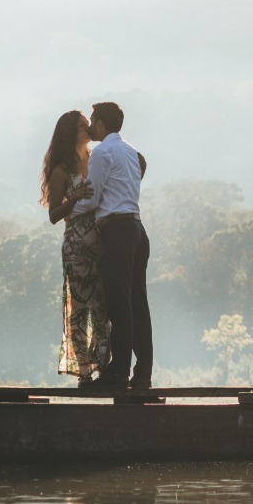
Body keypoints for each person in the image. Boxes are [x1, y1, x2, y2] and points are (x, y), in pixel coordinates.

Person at [41, 109, 109, 386]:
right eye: (84, 125)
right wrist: (74, 198)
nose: (89, 129)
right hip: (77, 243)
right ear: (73, 132)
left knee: (103, 306)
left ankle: (104, 365)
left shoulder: (97, 160)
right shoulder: (61, 170)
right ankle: (84, 370)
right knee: (81, 307)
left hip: (101, 240)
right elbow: (54, 215)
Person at [87, 101, 151, 390]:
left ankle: (119, 370)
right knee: (138, 301)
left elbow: (94, 196)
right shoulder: (131, 152)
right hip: (137, 227)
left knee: (119, 301)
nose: (90, 125)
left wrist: (70, 207)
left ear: (101, 123)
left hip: (116, 230)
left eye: (92, 120)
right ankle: (143, 372)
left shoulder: (101, 152)